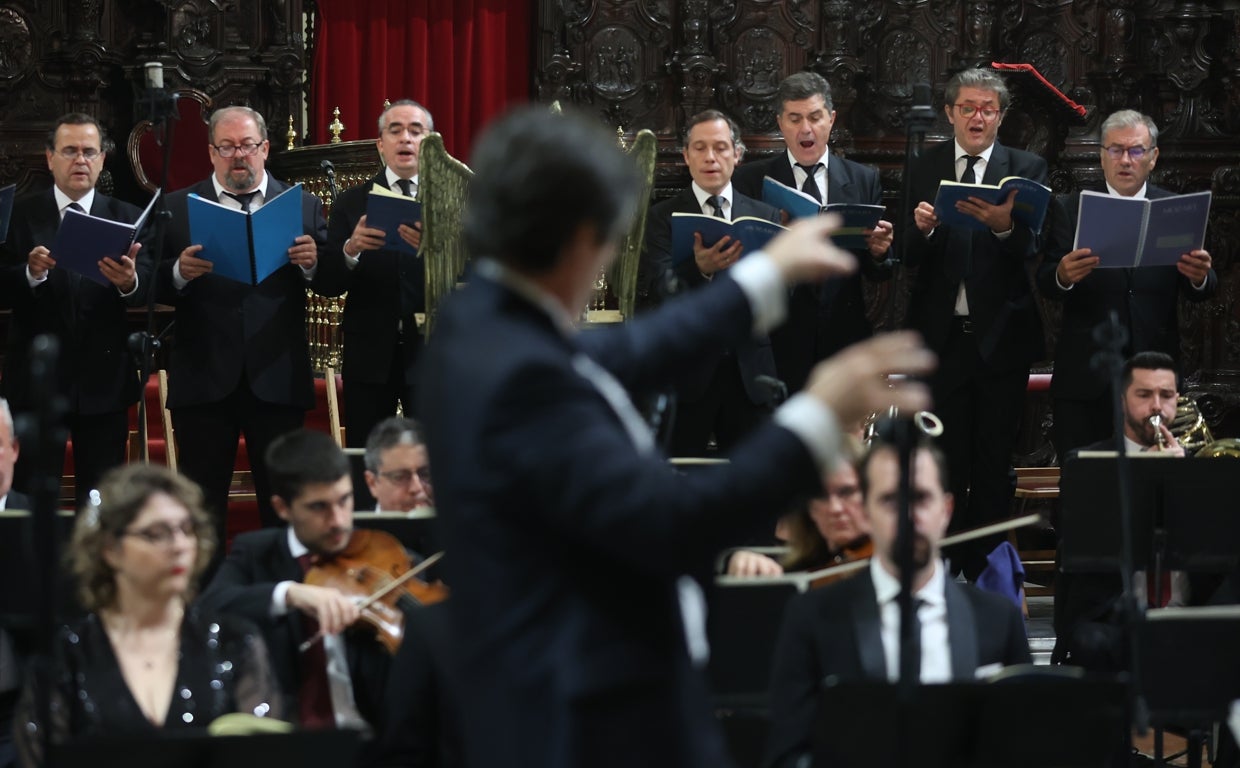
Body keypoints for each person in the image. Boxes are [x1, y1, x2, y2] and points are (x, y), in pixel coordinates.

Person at [420, 105, 935, 768]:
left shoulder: (479, 317)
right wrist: (816, 418)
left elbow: (626, 352)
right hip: (589, 725)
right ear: (583, 238)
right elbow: (672, 523)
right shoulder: (520, 376)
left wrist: (764, 276)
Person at [765, 433, 1032, 768]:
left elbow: (1024, 745)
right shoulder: (812, 616)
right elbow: (785, 752)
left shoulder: (997, 619)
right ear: (865, 512)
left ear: (946, 510)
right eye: (891, 500)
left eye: (920, 498)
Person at [14, 464, 282, 767]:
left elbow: (262, 756)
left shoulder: (235, 641)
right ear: (110, 548)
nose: (180, 545)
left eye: (186, 529)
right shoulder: (68, 653)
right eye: (157, 533)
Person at [157, 106, 329, 539]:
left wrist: (313, 265)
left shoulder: (302, 205)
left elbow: (331, 282)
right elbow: (147, 283)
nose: (239, 156)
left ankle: (281, 599)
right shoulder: (177, 207)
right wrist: (177, 271)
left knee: (282, 503)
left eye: (248, 146)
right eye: (228, 147)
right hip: (204, 376)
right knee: (202, 507)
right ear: (211, 152)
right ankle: (205, 603)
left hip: (276, 376)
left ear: (265, 149)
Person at [906, 67, 1047, 580]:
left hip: (1000, 341)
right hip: (941, 342)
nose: (978, 117)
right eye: (968, 107)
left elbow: (1036, 249)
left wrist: (1005, 226)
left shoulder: (1025, 166)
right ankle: (940, 574)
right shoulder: (926, 164)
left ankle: (986, 574)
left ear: (1001, 116)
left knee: (992, 466)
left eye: (988, 109)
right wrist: (921, 231)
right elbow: (904, 254)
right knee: (943, 462)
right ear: (950, 113)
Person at [197, 428, 405, 763]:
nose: (338, 520)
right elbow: (208, 607)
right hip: (288, 746)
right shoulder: (256, 554)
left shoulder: (384, 554)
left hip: (372, 744)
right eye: (319, 507)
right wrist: (291, 593)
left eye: (344, 501)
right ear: (282, 508)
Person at [1036, 110, 1217, 458]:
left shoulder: (1175, 209)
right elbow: (1046, 281)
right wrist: (1063, 276)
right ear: (1101, 156)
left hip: (1154, 377)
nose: (1125, 160)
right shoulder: (1069, 209)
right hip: (1087, 376)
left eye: (1136, 151)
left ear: (1153, 158)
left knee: (1153, 488)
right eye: (1115, 150)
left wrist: (1199, 277)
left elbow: (1205, 285)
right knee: (1085, 487)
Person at [0, 113, 152, 504]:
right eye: (69, 151)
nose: (80, 160)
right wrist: (29, 274)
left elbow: (150, 282)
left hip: (103, 381)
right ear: (50, 158)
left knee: (101, 502)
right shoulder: (18, 213)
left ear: (102, 159)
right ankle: (31, 568)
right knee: (30, 498)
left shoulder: (127, 216)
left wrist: (128, 282)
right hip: (35, 380)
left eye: (89, 151)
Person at [732, 72, 895, 393]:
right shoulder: (751, 181)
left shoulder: (863, 179)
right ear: (780, 123)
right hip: (778, 336)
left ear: (831, 120)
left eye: (815, 117)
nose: (805, 129)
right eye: (795, 119)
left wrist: (879, 252)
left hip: (843, 336)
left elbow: (876, 272)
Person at [640, 109, 784, 455]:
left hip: (749, 371)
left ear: (737, 154)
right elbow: (655, 288)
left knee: (753, 487)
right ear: (686, 155)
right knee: (679, 481)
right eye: (700, 148)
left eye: (720, 147)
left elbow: (783, 290)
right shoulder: (662, 216)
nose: (710, 157)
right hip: (688, 374)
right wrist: (698, 269)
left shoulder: (763, 214)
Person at [318, 100, 435, 509]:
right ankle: (369, 545)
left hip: (432, 352)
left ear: (430, 143)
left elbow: (475, 279)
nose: (406, 138)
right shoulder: (352, 202)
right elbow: (327, 283)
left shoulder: (454, 203)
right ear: (380, 145)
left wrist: (436, 256)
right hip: (370, 351)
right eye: (396, 130)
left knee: (434, 459)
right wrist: (350, 249)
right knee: (368, 457)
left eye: (416, 131)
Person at [1052, 351, 1185, 668]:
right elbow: (1073, 532)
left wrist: (1180, 479)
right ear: (1122, 401)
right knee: (1095, 644)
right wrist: (1144, 477)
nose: (1156, 406)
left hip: (1187, 609)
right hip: (1112, 614)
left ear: (1177, 400)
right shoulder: (1084, 463)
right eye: (1144, 394)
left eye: (1166, 395)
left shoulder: (1197, 464)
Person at [725, 436, 870, 577]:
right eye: (820, 495)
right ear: (811, 509)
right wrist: (741, 560)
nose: (835, 508)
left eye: (847, 492)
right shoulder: (799, 570)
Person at [363, 416, 432, 512]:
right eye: (400, 477)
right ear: (372, 483)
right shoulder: (354, 527)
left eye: (426, 474)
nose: (417, 488)